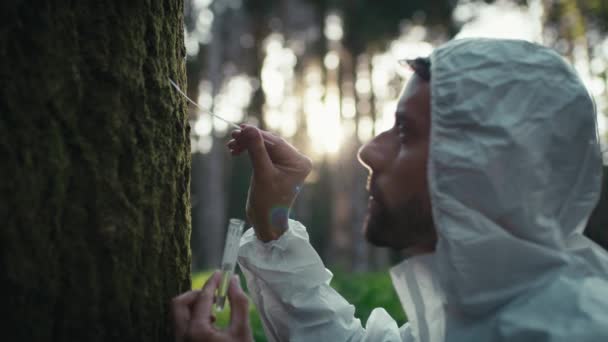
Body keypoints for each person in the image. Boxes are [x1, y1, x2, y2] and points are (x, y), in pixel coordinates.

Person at [171, 38, 608, 341]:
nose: (368, 150)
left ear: (486, 168)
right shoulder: (490, 307)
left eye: (405, 132)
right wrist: (273, 226)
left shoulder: (567, 330)